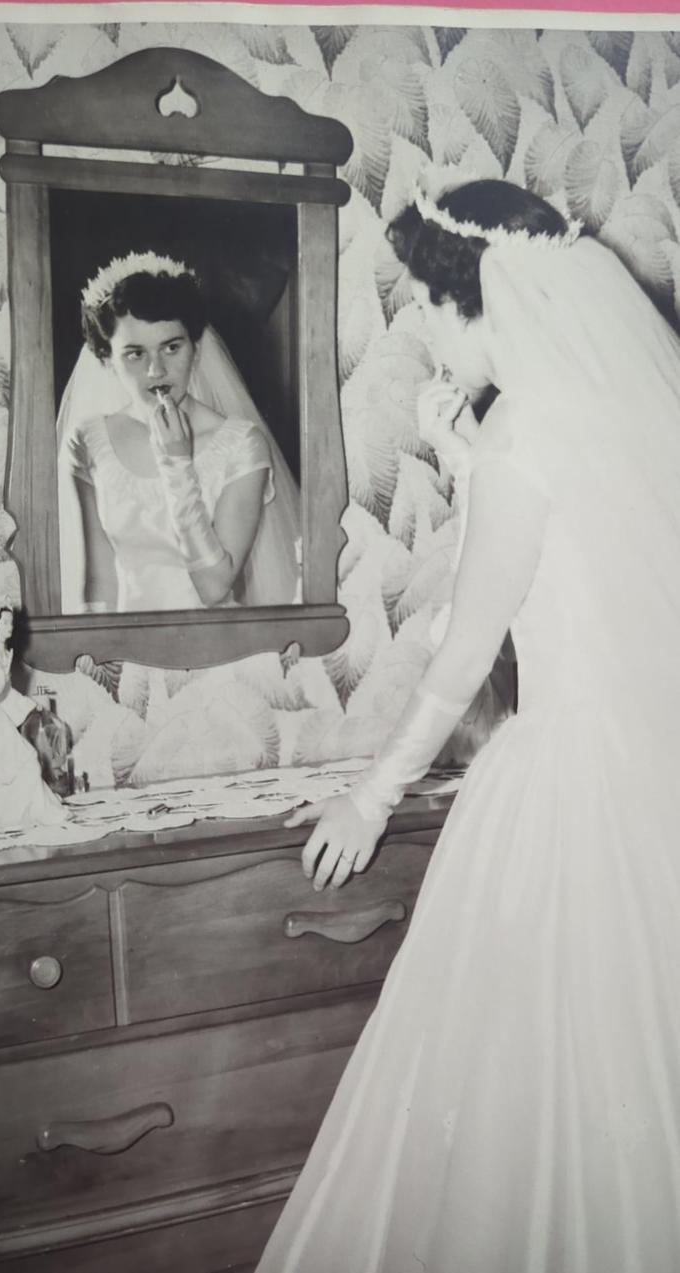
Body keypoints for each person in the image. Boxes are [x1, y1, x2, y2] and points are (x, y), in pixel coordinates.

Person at [254, 177, 680, 1272]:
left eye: (425, 303)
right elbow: (579, 568)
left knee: (524, 1088)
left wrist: (369, 796)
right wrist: (463, 461)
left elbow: (462, 655)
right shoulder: (628, 411)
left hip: (568, 794)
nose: (423, 329)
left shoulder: (523, 429)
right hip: (654, 786)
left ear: (474, 297)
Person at [57, 252, 301, 613]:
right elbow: (99, 579)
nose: (156, 370)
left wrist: (177, 464)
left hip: (214, 643)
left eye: (171, 347)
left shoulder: (241, 444)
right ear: (107, 361)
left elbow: (214, 588)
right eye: (135, 354)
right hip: (124, 640)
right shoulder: (90, 440)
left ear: (196, 350)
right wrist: (101, 649)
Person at [0, 607, 68, 835]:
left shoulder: (1, 651)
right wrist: (1, 674)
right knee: (7, 768)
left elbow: (5, 693)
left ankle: (30, 811)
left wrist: (29, 705)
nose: (9, 628)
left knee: (22, 764)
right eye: (4, 623)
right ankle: (12, 815)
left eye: (11, 623)